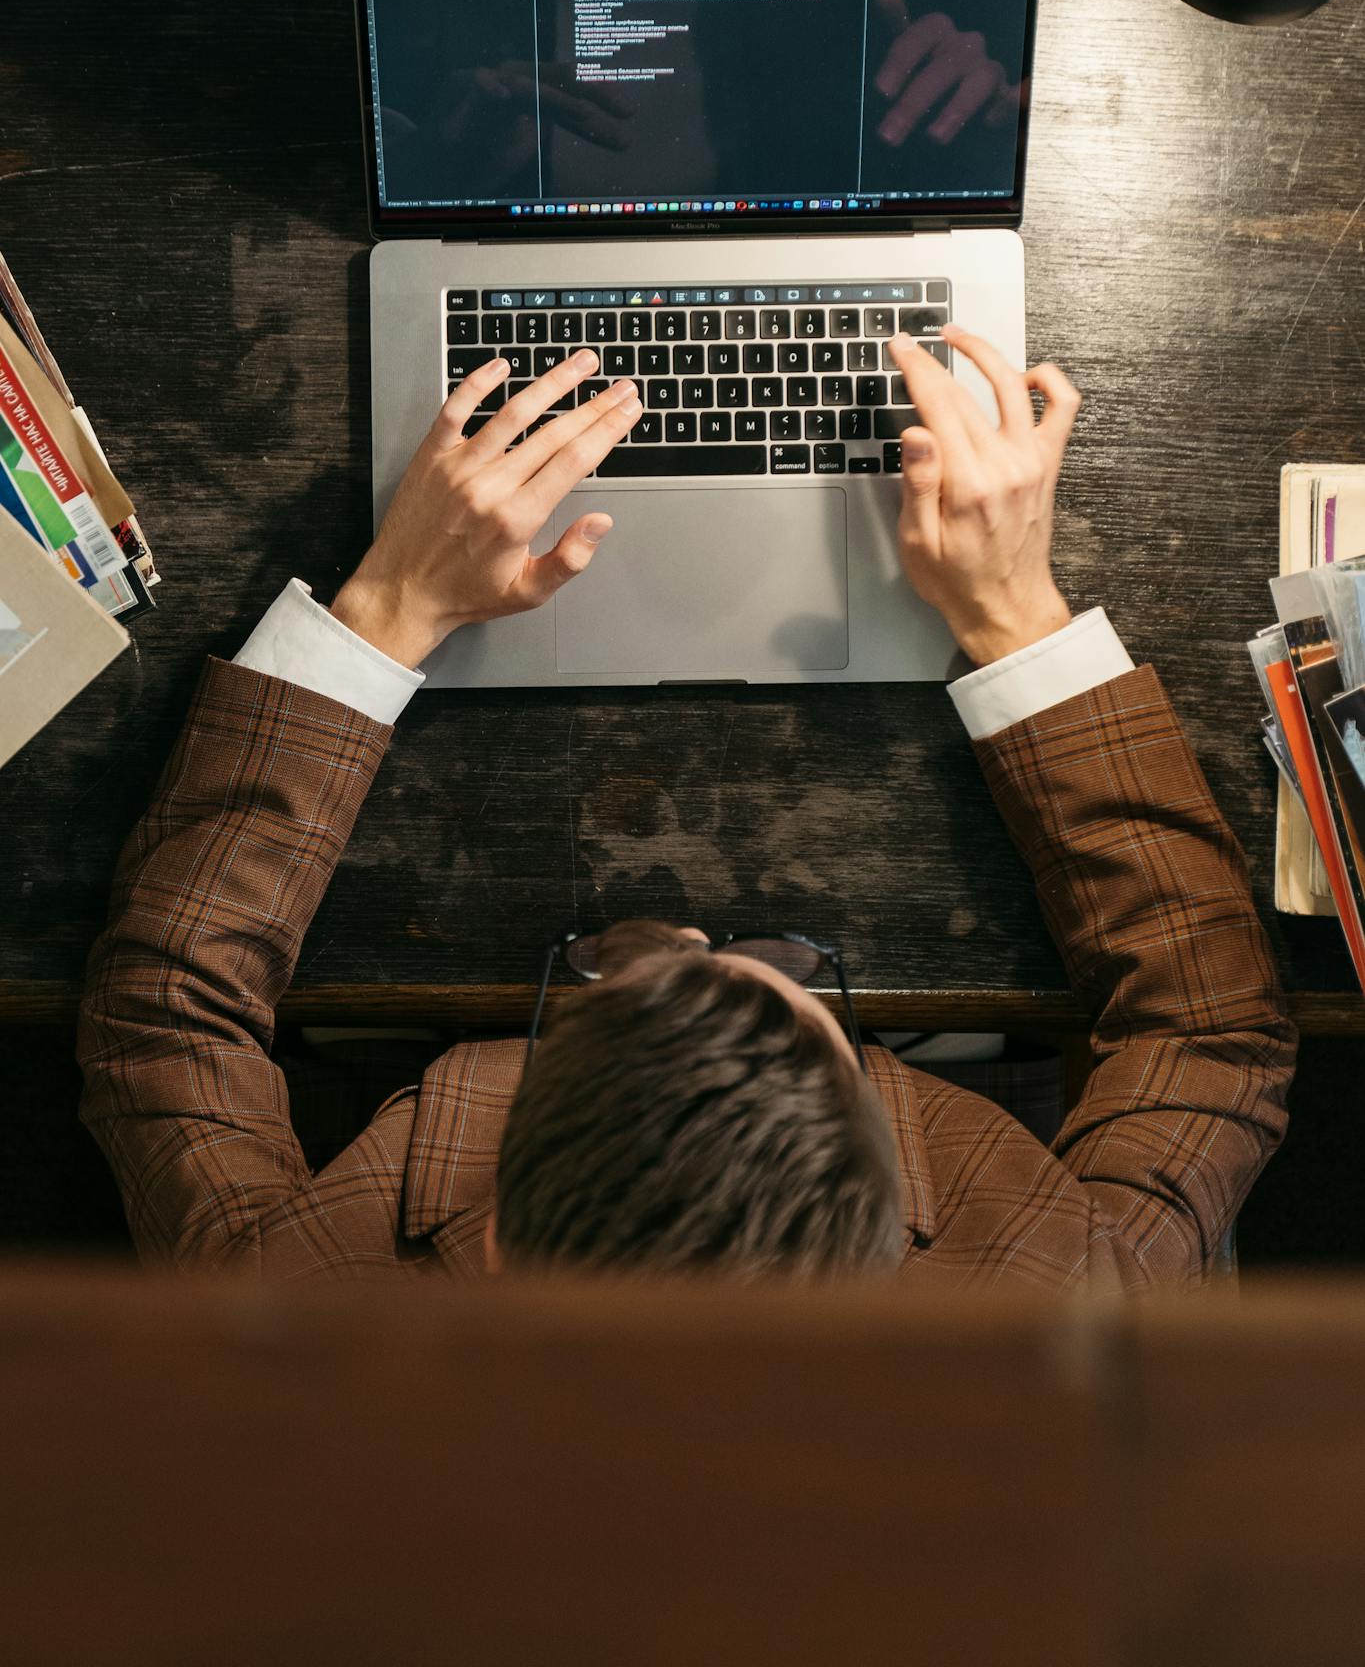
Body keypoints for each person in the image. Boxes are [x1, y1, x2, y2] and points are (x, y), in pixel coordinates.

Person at [78, 329, 1296, 1284]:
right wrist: (1016, 616)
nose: (707, 934)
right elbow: (1212, 1027)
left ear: (500, 1228)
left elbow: (162, 1013)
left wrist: (389, 606)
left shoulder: (299, 1299)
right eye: (790, 991)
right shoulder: (1060, 1292)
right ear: (881, 1187)